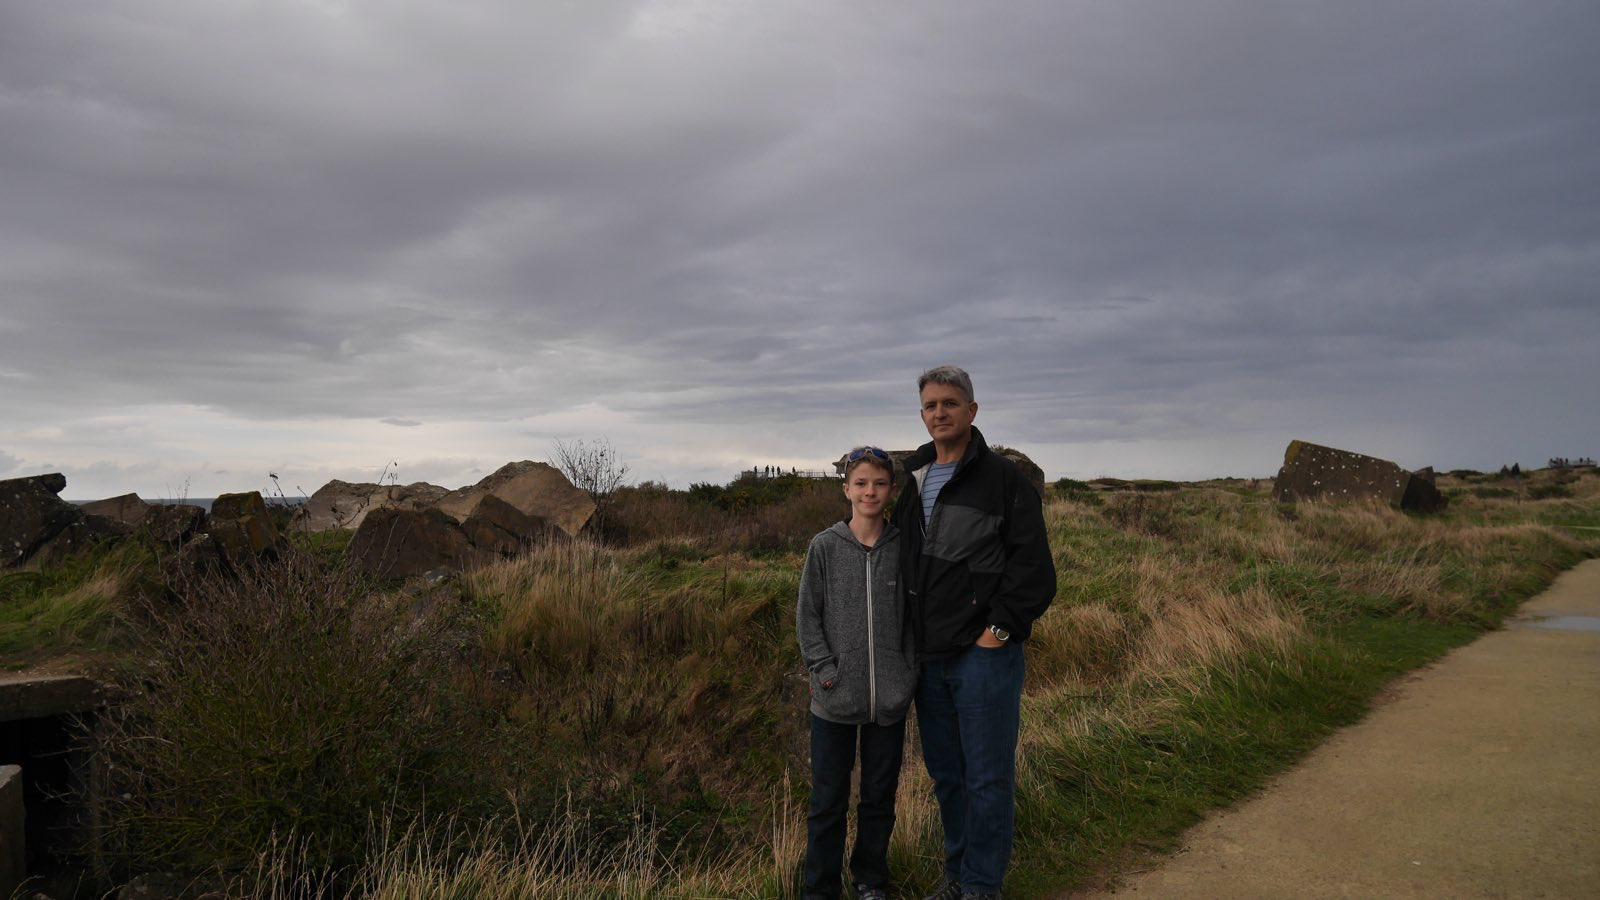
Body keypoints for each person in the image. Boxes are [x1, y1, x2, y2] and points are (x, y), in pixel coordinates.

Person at [893, 366, 1056, 900]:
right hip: (930, 654)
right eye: (930, 405)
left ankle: (983, 887)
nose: (940, 412)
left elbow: (1033, 569)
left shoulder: (1003, 480)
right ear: (922, 414)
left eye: (950, 403)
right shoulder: (912, 477)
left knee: (987, 778)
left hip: (983, 654)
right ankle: (958, 876)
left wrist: (999, 631)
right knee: (949, 777)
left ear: (972, 411)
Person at [797, 446, 919, 900]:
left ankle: (870, 880)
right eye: (862, 483)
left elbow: (913, 619)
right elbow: (807, 617)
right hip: (833, 701)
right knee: (828, 803)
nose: (871, 491)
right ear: (846, 488)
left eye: (880, 483)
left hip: (888, 701)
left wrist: (906, 677)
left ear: (892, 490)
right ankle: (820, 890)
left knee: (878, 801)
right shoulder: (824, 547)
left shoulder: (904, 546)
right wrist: (824, 671)